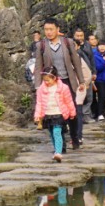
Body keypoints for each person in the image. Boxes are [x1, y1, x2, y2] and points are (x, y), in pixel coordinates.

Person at [34, 19, 86, 150]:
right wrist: (38, 85)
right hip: (51, 83)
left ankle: (75, 138)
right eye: (46, 29)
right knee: (56, 114)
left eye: (51, 29)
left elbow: (76, 63)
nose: (48, 32)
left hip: (68, 81)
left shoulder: (68, 43)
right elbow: (38, 65)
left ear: (58, 29)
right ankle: (60, 144)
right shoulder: (41, 45)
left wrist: (81, 81)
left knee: (71, 111)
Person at [34, 64, 77, 161]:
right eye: (44, 80)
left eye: (48, 80)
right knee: (52, 133)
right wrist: (37, 115)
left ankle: (58, 152)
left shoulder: (63, 88)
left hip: (59, 113)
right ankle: (57, 149)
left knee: (57, 132)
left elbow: (69, 101)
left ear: (54, 78)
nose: (46, 82)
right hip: (47, 114)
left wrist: (72, 113)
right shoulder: (41, 89)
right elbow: (39, 103)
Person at [73, 29, 95, 123]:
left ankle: (86, 115)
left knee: (89, 97)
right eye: (77, 36)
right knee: (79, 97)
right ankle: (80, 116)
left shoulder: (87, 45)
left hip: (88, 74)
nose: (79, 37)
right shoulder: (72, 45)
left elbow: (92, 59)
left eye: (81, 35)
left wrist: (94, 72)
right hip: (77, 76)